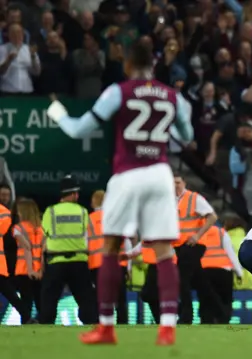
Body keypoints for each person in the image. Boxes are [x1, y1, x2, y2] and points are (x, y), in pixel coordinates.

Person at [46, 40, 194, 345]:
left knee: (110, 247)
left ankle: (106, 327)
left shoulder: (118, 91)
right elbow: (187, 136)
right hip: (159, 173)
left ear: (127, 65)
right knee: (164, 251)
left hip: (127, 174)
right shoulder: (172, 96)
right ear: (153, 67)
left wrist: (57, 114)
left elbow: (77, 130)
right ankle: (167, 327)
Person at [39, 175, 98, 326]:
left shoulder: (50, 212)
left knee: (49, 300)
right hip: (79, 262)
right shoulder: (83, 212)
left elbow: (44, 237)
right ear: (73, 194)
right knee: (86, 299)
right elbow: (90, 236)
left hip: (56, 262)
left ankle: (45, 328)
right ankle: (93, 328)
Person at [173, 174, 218, 325]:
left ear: (184, 183)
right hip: (179, 246)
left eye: (178, 182)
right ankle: (217, 312)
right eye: (173, 183)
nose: (175, 185)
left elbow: (212, 217)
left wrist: (197, 235)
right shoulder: (171, 201)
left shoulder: (194, 198)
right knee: (201, 283)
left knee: (182, 279)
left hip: (193, 244)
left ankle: (186, 316)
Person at [86, 190, 129, 325]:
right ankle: (123, 324)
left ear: (93, 203)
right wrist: (128, 266)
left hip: (97, 264)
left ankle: (103, 325)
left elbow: (85, 243)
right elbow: (126, 242)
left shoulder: (89, 220)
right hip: (117, 263)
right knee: (120, 298)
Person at [0, 197, 31, 323]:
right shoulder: (4, 213)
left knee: (9, 292)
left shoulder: (4, 213)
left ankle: (26, 315)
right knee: (9, 292)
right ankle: (26, 316)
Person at [13, 198, 44, 323]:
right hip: (39, 271)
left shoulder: (18, 228)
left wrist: (30, 270)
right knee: (40, 301)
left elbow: (26, 248)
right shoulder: (42, 229)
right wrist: (41, 270)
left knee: (26, 301)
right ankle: (45, 325)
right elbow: (43, 252)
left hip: (24, 270)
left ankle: (26, 323)